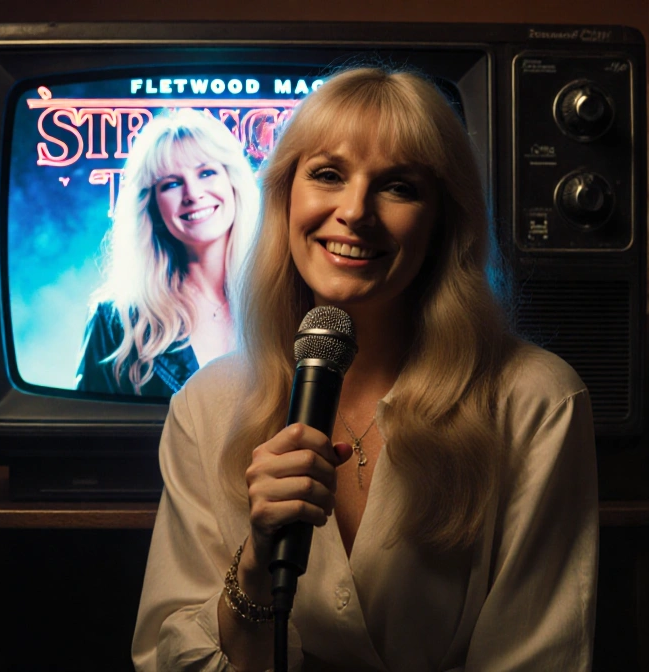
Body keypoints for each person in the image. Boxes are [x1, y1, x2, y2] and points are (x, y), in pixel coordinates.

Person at [132, 67, 598, 671]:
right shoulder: (206, 404)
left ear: (442, 223)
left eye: (398, 186)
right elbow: (170, 660)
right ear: (284, 197)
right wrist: (253, 570)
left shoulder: (536, 401)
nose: (354, 212)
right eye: (327, 174)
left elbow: (536, 659)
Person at [76, 109, 260, 397]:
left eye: (206, 172)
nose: (193, 193)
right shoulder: (115, 321)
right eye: (172, 184)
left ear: (233, 183)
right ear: (153, 207)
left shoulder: (286, 299)